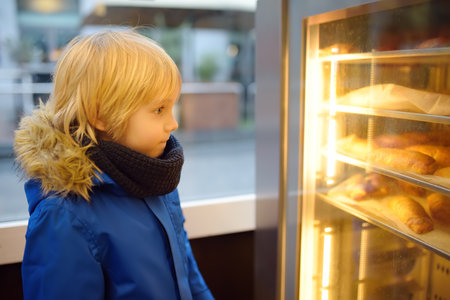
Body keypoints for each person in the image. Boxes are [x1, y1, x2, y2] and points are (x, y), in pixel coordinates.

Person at [14, 30, 214, 300]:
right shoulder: (64, 214)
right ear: (101, 115)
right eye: (159, 110)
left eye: (172, 107)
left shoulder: (156, 178)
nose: (173, 123)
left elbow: (187, 274)